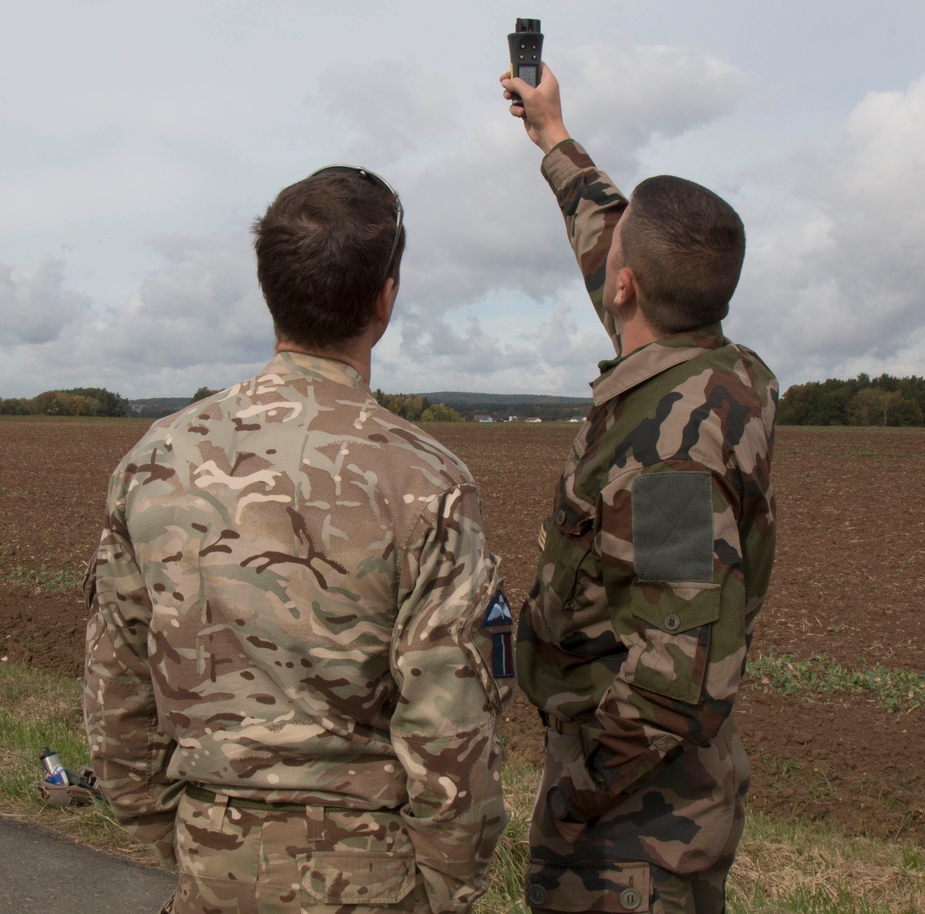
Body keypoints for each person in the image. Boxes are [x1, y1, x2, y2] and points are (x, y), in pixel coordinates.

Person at [83, 165, 515, 914]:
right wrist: (444, 887)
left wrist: (185, 839)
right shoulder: (426, 481)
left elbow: (117, 697)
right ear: (387, 297)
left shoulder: (156, 462)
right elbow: (453, 733)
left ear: (270, 291)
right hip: (373, 877)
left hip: (209, 863)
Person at [500, 65, 777, 914]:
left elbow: (673, 673)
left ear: (627, 288)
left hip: (633, 839)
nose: (605, 254)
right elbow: (612, 240)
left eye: (616, 261)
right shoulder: (714, 368)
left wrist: (581, 789)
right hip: (650, 806)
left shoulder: (671, 460)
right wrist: (552, 135)